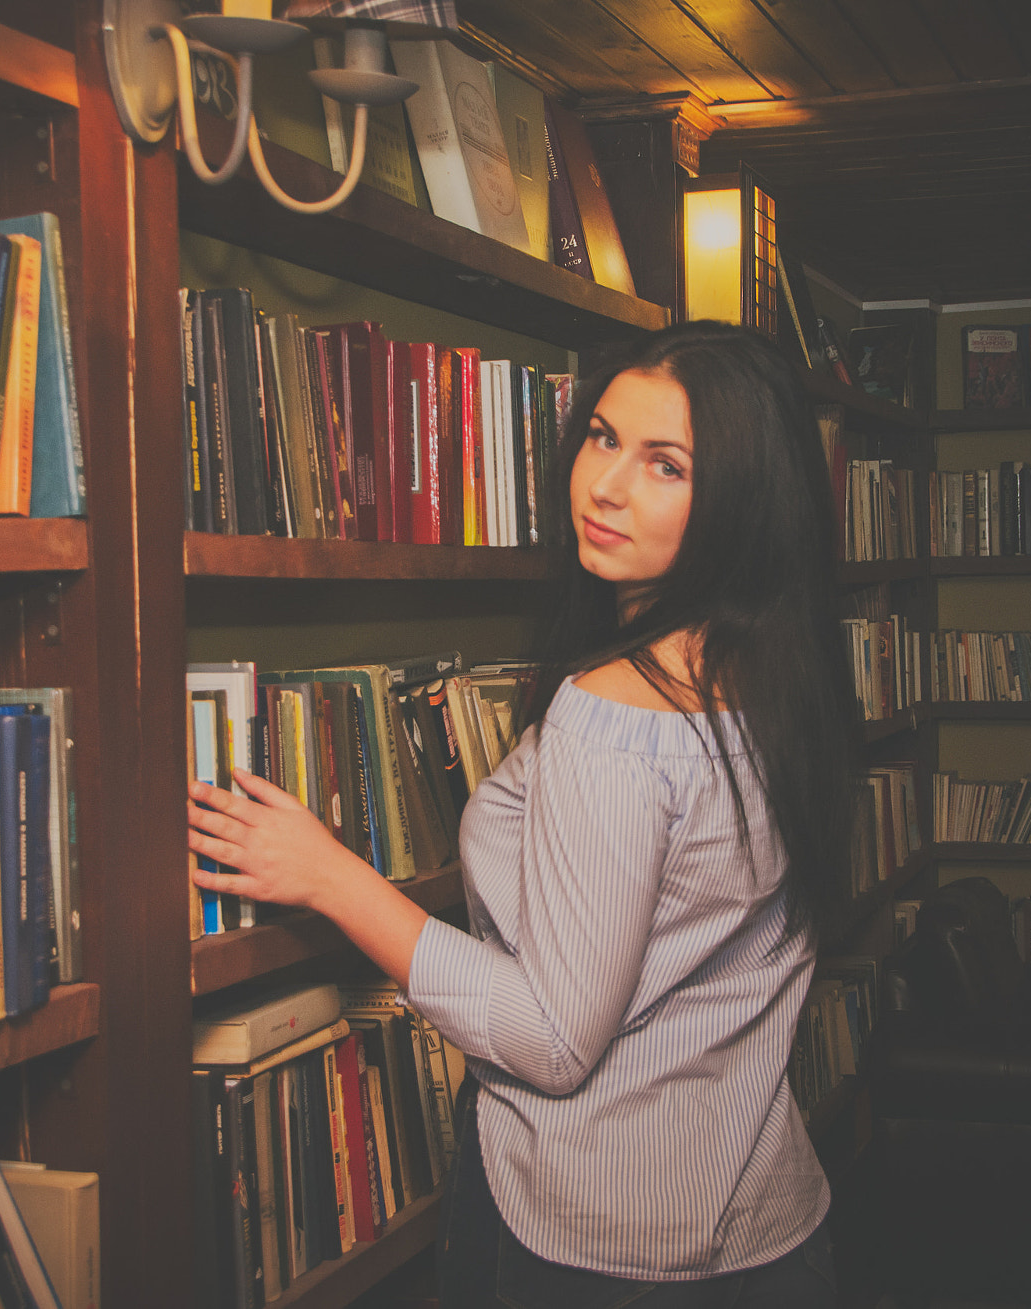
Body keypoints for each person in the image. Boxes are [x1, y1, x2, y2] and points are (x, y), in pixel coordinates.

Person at [187, 321, 860, 1307]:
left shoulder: (616, 716)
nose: (605, 485)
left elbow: (552, 1042)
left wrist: (331, 875)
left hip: (602, 1249)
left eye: (665, 464)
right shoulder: (784, 679)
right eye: (600, 436)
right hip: (768, 1222)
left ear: (743, 499)